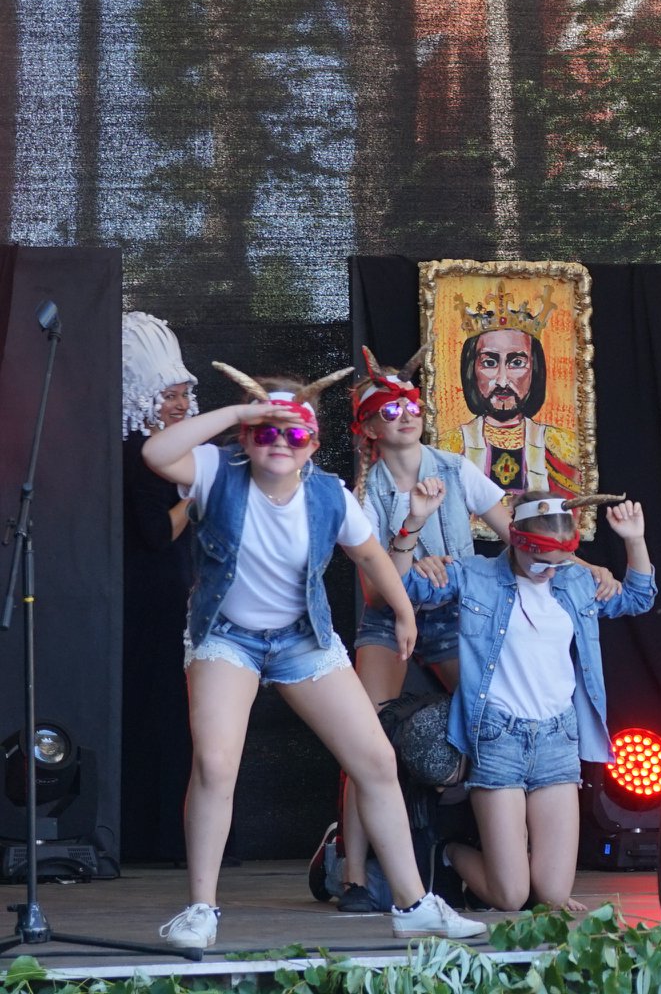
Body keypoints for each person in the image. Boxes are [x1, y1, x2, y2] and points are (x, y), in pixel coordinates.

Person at [141, 361, 488, 951]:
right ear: (247, 437)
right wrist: (241, 410)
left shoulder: (329, 494)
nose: (280, 442)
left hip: (302, 640)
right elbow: (156, 452)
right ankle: (200, 908)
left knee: (376, 760)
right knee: (217, 764)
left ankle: (413, 904)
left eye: (295, 433)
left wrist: (404, 611)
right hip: (228, 636)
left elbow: (372, 556)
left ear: (313, 445)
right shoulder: (216, 470)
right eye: (266, 431)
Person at [401, 491, 655, 911]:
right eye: (539, 561)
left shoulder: (575, 582)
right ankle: (448, 851)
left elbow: (638, 598)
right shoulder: (476, 575)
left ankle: (511, 863)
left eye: (560, 561)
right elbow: (400, 586)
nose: (548, 572)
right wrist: (412, 532)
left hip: (558, 741)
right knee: (512, 897)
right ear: (515, 539)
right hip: (498, 739)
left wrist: (634, 540)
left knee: (552, 897)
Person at [334, 347, 520, 912]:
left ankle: (488, 856)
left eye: (412, 405)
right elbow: (375, 593)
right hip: (391, 618)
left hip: (455, 615)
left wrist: (580, 564)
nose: (405, 416)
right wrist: (411, 545)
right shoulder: (364, 493)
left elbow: (520, 536)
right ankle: (354, 874)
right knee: (364, 739)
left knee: (497, 720)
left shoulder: (456, 469)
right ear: (368, 427)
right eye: (390, 410)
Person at [120, 311, 200, 863]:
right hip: (152, 602)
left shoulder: (175, 451)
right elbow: (155, 535)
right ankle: (157, 838)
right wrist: (194, 499)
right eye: (168, 394)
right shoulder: (138, 456)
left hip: (177, 594)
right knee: (161, 711)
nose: (178, 404)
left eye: (182, 394)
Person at [436, 285, 580, 501]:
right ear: (471, 370)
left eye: (517, 363)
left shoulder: (561, 446)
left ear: (535, 370)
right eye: (489, 363)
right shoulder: (449, 447)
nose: (502, 380)